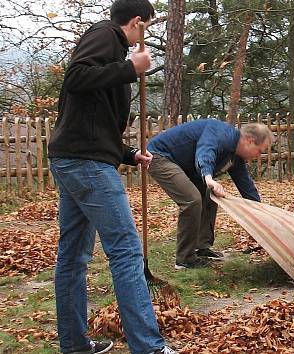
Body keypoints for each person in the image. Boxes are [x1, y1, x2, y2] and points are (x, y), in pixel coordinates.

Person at [47, 1, 176, 353]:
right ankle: (148, 346)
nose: (142, 37)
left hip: (76, 156)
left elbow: (92, 119)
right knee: (126, 251)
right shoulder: (105, 36)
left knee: (73, 257)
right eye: (145, 27)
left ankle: (74, 345)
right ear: (136, 22)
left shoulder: (110, 47)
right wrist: (129, 67)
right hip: (85, 164)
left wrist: (128, 154)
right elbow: (76, 79)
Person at [147, 120, 272, 269]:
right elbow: (205, 152)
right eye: (260, 150)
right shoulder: (220, 134)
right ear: (250, 141)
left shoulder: (236, 155)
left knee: (210, 197)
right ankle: (184, 259)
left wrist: (262, 212)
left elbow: (246, 185)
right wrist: (208, 177)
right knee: (192, 200)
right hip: (159, 156)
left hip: (186, 164)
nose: (259, 155)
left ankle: (202, 247)